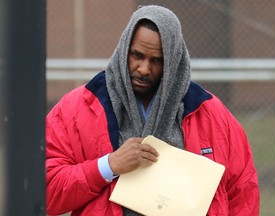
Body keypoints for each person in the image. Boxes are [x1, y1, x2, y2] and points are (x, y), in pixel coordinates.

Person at [46, 5, 260, 216]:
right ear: (123, 50)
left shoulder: (210, 113)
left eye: (157, 60)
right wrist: (108, 166)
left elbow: (243, 194)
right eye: (137, 55)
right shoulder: (78, 108)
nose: (144, 69)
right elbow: (45, 191)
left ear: (173, 61)